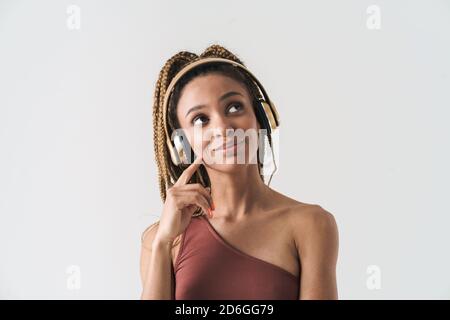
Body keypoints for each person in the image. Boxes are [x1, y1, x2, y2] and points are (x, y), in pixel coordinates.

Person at [140, 44, 339, 300]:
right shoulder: (160, 240)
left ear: (261, 117)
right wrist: (163, 244)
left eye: (234, 107)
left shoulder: (311, 225)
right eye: (201, 119)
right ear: (181, 145)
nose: (223, 127)